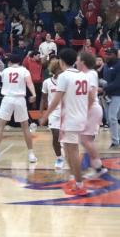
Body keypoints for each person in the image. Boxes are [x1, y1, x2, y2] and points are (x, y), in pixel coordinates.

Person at [40, 48, 90, 196]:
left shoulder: (64, 76)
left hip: (70, 118)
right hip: (81, 115)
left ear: (61, 62)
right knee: (69, 150)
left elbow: (56, 100)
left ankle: (80, 184)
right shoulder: (83, 75)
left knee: (72, 151)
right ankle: (75, 179)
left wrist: (45, 115)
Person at [0, 55, 37, 163]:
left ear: (10, 62)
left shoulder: (6, 71)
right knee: (25, 128)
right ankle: (31, 154)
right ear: (20, 61)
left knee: (0, 126)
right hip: (20, 99)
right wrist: (34, 94)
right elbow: (30, 83)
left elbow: (1, 78)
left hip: (7, 99)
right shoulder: (24, 71)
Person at [76, 52, 108, 179]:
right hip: (89, 109)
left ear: (83, 62)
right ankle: (97, 166)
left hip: (91, 109)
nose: (76, 62)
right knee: (85, 140)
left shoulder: (91, 74)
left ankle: (98, 167)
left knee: (85, 140)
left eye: (78, 60)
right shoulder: (84, 74)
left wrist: (85, 110)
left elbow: (92, 93)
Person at [40, 60, 64, 169]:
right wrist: (41, 113)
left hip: (66, 111)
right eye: (59, 68)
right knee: (55, 135)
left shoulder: (67, 81)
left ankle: (65, 151)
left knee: (66, 139)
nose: (61, 70)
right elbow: (43, 99)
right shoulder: (47, 82)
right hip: (53, 112)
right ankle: (59, 158)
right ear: (55, 69)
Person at [102, 48, 120, 149]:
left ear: (115, 55)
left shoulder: (119, 65)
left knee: (113, 117)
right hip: (107, 95)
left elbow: (118, 83)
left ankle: (115, 142)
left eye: (109, 54)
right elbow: (106, 81)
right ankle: (117, 139)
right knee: (110, 119)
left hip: (117, 94)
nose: (107, 56)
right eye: (106, 54)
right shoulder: (106, 66)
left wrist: (104, 89)